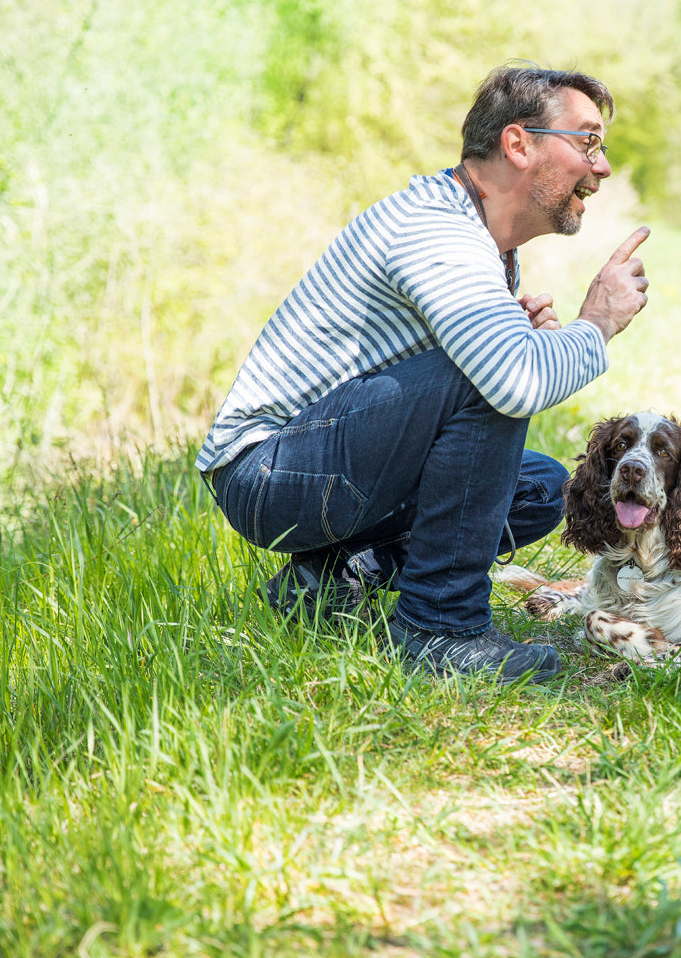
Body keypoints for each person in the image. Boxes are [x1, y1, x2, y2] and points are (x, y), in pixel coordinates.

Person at [197, 65, 649, 683]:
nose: (600, 168)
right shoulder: (437, 228)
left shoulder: (485, 244)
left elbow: (481, 378)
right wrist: (594, 323)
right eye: (587, 141)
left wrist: (521, 339)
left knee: (543, 487)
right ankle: (442, 629)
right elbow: (508, 382)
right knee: (485, 376)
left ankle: (332, 579)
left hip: (325, 463)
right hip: (268, 474)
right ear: (518, 144)